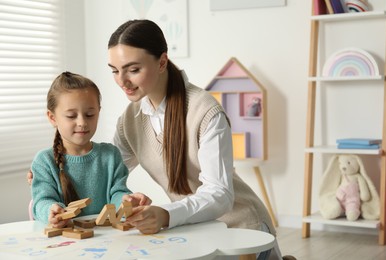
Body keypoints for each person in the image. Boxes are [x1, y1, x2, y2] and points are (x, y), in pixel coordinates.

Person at [106, 19, 293, 260]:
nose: (122, 81)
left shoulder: (205, 111)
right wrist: (123, 198)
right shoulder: (129, 120)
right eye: (114, 70)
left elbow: (219, 194)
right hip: (195, 233)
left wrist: (165, 214)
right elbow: (109, 176)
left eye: (133, 70)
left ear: (162, 62)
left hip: (242, 231)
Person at [30, 71, 151, 228]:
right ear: (52, 118)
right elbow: (41, 201)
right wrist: (51, 211)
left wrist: (127, 201)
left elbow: (117, 192)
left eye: (89, 114)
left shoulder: (110, 155)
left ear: (98, 112)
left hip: (104, 238)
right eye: (71, 116)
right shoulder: (44, 161)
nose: (82, 122)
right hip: (64, 240)